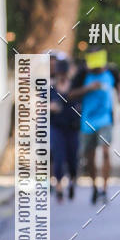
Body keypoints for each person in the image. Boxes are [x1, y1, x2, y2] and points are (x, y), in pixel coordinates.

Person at [69, 49, 120, 204]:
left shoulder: (111, 72)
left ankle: (104, 189)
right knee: (89, 157)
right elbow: (70, 94)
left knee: (105, 151)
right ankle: (94, 187)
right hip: (87, 121)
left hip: (106, 119)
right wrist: (88, 88)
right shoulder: (82, 74)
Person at [49, 57, 80, 201]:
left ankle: (73, 181)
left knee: (72, 159)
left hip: (72, 128)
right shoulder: (50, 88)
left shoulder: (75, 87)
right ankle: (59, 187)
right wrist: (50, 107)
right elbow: (39, 104)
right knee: (58, 157)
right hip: (57, 127)